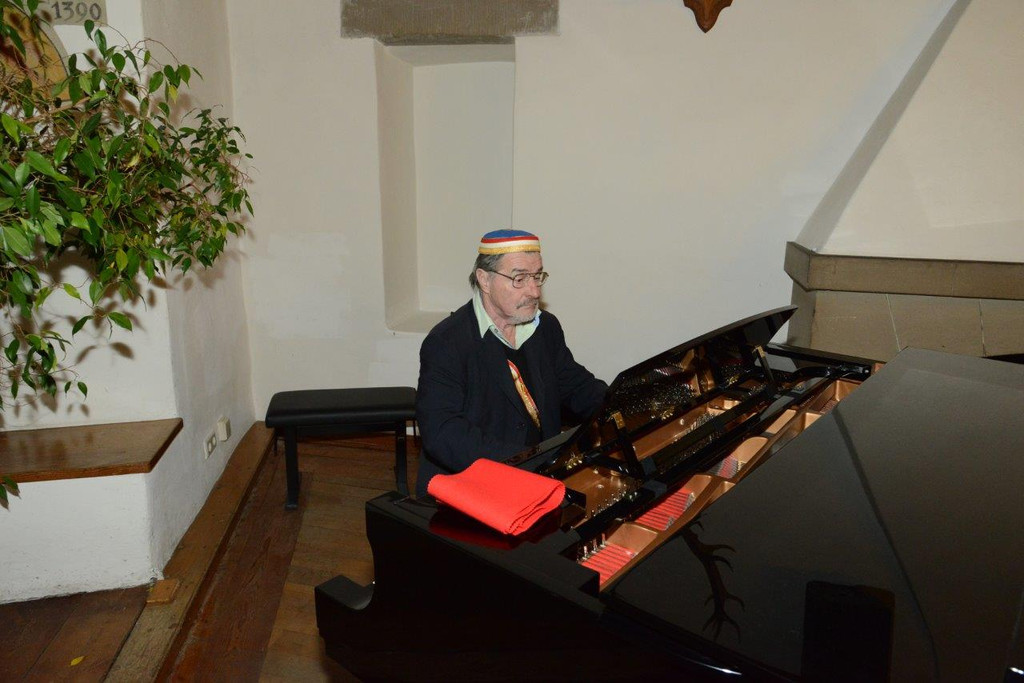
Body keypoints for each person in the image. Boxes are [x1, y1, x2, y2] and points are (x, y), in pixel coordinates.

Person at [415, 229, 608, 497]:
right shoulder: (447, 342)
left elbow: (576, 386)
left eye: (537, 276)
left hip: (541, 476)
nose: (534, 291)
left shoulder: (545, 327)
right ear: (485, 279)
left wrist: (622, 406)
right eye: (520, 278)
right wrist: (527, 461)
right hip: (471, 486)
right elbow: (444, 434)